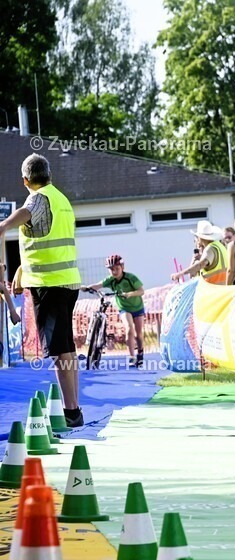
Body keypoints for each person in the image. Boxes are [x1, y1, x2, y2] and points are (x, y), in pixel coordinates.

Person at [0, 154, 84, 427]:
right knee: (67, 349)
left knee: (60, 352)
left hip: (50, 286)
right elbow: (45, 237)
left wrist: (3, 225)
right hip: (67, 281)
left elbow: (26, 213)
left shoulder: (37, 198)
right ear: (50, 175)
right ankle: (74, 409)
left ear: (25, 180)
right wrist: (22, 270)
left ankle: (71, 411)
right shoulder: (61, 200)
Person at [81, 254, 146, 368]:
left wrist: (130, 294)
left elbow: (141, 291)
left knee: (138, 335)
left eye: (117, 269)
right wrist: (86, 287)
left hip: (137, 307)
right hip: (124, 308)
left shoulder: (130, 278)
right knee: (129, 329)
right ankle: (131, 356)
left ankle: (140, 353)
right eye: (111, 269)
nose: (114, 272)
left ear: (122, 267)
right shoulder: (110, 280)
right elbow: (98, 285)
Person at [171, 220, 229, 284]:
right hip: (223, 289)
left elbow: (200, 265)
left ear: (200, 237)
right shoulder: (220, 246)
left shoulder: (210, 249)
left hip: (213, 290)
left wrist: (180, 274)